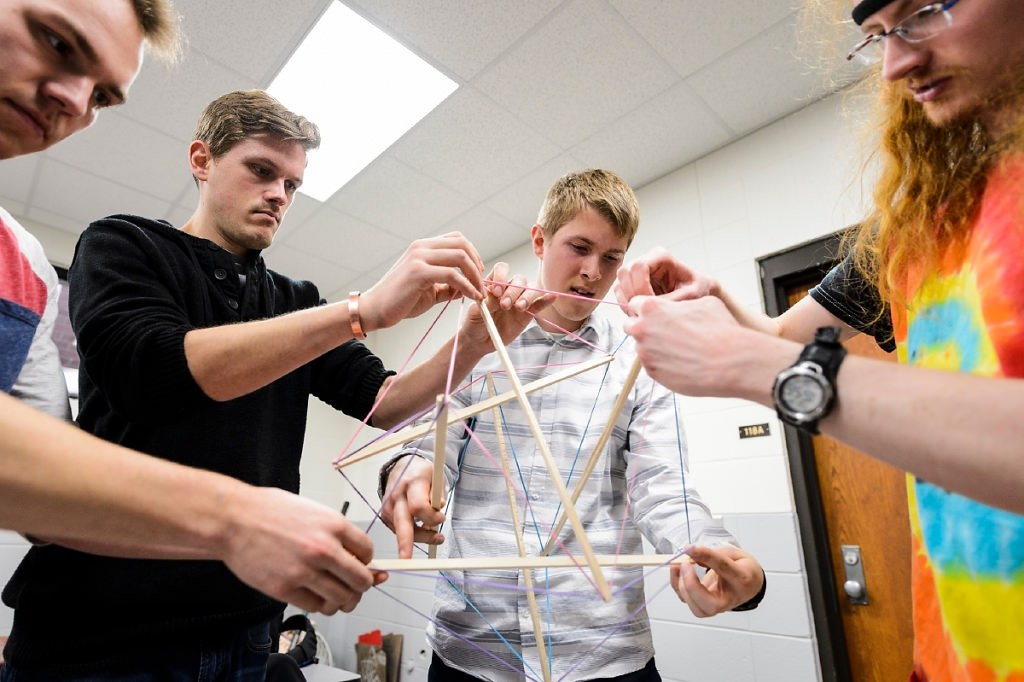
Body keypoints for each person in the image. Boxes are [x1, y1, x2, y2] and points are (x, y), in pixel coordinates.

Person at [1, 86, 546, 680]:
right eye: (262, 171)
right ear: (202, 160)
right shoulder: (124, 244)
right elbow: (156, 373)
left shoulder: (294, 301)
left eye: (291, 184)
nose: (278, 196)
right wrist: (361, 311)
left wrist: (473, 342)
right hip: (102, 632)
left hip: (247, 631)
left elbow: (386, 403)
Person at [616, 1, 1024, 680]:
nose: (896, 62)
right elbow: (780, 336)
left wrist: (769, 372)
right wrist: (716, 300)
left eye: (924, 11)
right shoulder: (916, 228)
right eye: (876, 37)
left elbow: (776, 359)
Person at [379, 169, 766, 681]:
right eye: (579, 247)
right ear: (540, 240)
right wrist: (408, 470)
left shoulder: (639, 356)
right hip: (471, 653)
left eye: (611, 257)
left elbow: (663, 489)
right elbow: (432, 443)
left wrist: (719, 550)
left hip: (605, 655)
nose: (592, 272)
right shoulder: (481, 338)